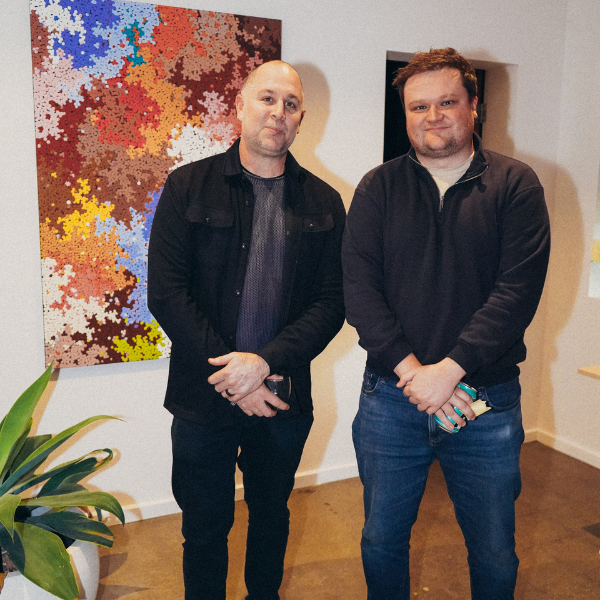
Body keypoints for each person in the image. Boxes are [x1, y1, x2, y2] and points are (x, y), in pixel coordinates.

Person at [342, 48, 550, 600]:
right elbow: (359, 292)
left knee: (493, 549)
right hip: (391, 400)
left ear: (473, 106)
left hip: (485, 403)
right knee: (381, 539)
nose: (432, 116)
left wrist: (449, 372)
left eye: (447, 103)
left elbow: (516, 294)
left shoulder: (516, 185)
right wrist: (417, 375)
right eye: (418, 107)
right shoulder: (378, 187)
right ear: (406, 114)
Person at [148, 60, 345, 600]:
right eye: (267, 98)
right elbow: (167, 293)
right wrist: (236, 378)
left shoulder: (325, 202)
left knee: (271, 519)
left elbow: (332, 303)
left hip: (281, 398)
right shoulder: (188, 186)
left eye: (290, 104)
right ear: (240, 106)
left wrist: (263, 364)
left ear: (301, 118)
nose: (278, 112)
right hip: (202, 397)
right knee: (204, 530)